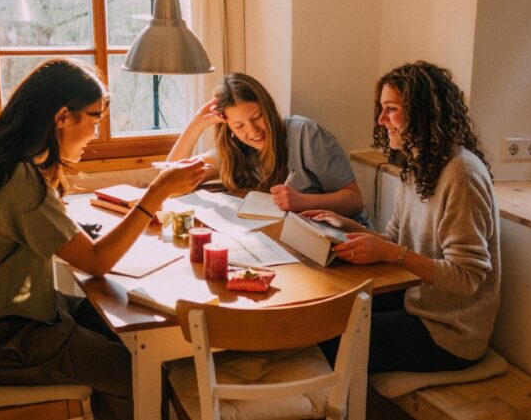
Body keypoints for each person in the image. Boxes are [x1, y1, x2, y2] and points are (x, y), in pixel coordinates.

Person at [0, 58, 205, 419]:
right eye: (94, 119)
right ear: (62, 117)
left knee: (114, 326)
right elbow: (96, 262)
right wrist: (155, 195)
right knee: (137, 372)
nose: (95, 133)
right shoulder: (16, 177)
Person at [308, 61, 500, 373]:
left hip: (451, 332)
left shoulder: (461, 175)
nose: (382, 120)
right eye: (382, 109)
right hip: (417, 302)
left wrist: (388, 251)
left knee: (329, 341)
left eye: (392, 109)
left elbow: (467, 278)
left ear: (423, 113)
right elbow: (396, 243)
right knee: (323, 315)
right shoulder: (418, 166)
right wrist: (351, 227)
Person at [166, 73, 367, 223]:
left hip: (341, 238)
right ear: (228, 127)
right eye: (239, 125)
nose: (253, 131)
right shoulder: (234, 149)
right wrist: (196, 125)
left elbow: (354, 201)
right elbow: (169, 182)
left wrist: (302, 201)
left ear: (268, 109)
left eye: (257, 117)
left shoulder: (304, 134)